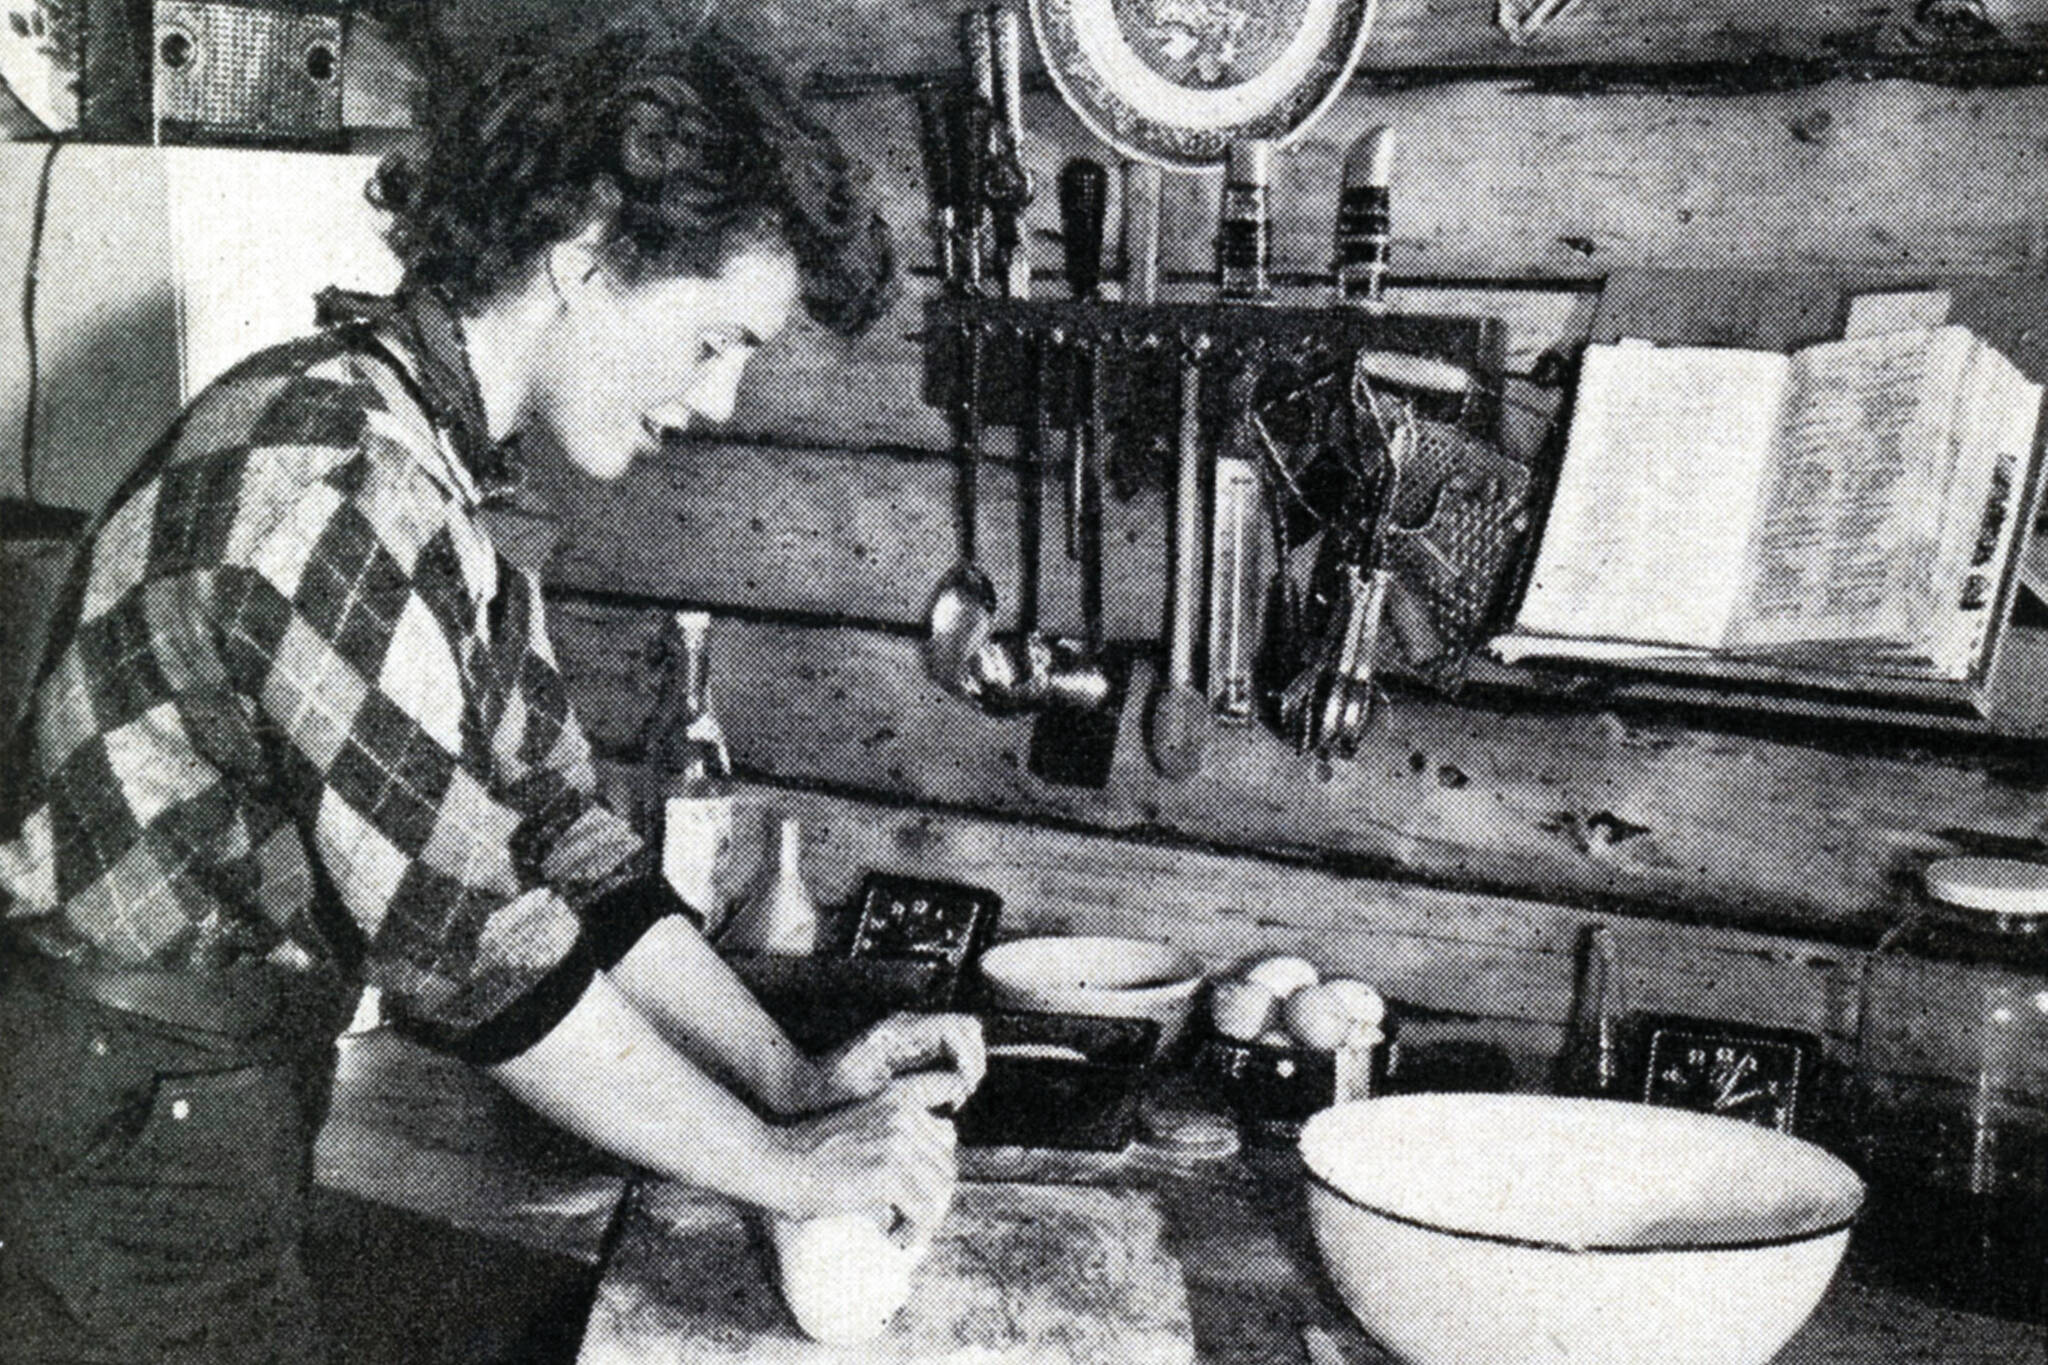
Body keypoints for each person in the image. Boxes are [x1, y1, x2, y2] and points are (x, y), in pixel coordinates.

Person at [0, 16, 983, 1364]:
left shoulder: (436, 472)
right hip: (114, 1130)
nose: (717, 398)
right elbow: (484, 959)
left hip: (195, 1102)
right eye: (713, 342)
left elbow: (566, 844)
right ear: (586, 258)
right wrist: (784, 1165)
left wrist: (789, 1077)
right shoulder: (336, 482)